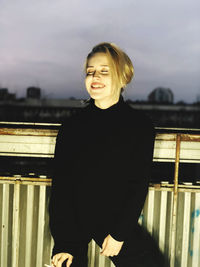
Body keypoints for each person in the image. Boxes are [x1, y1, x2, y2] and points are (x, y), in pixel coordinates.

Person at [49, 42, 169, 267]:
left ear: (123, 79)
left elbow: (138, 183)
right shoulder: (71, 128)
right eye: (90, 71)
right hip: (75, 224)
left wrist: (119, 234)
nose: (95, 76)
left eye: (105, 71)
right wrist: (64, 244)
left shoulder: (139, 127)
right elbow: (61, 190)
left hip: (116, 221)